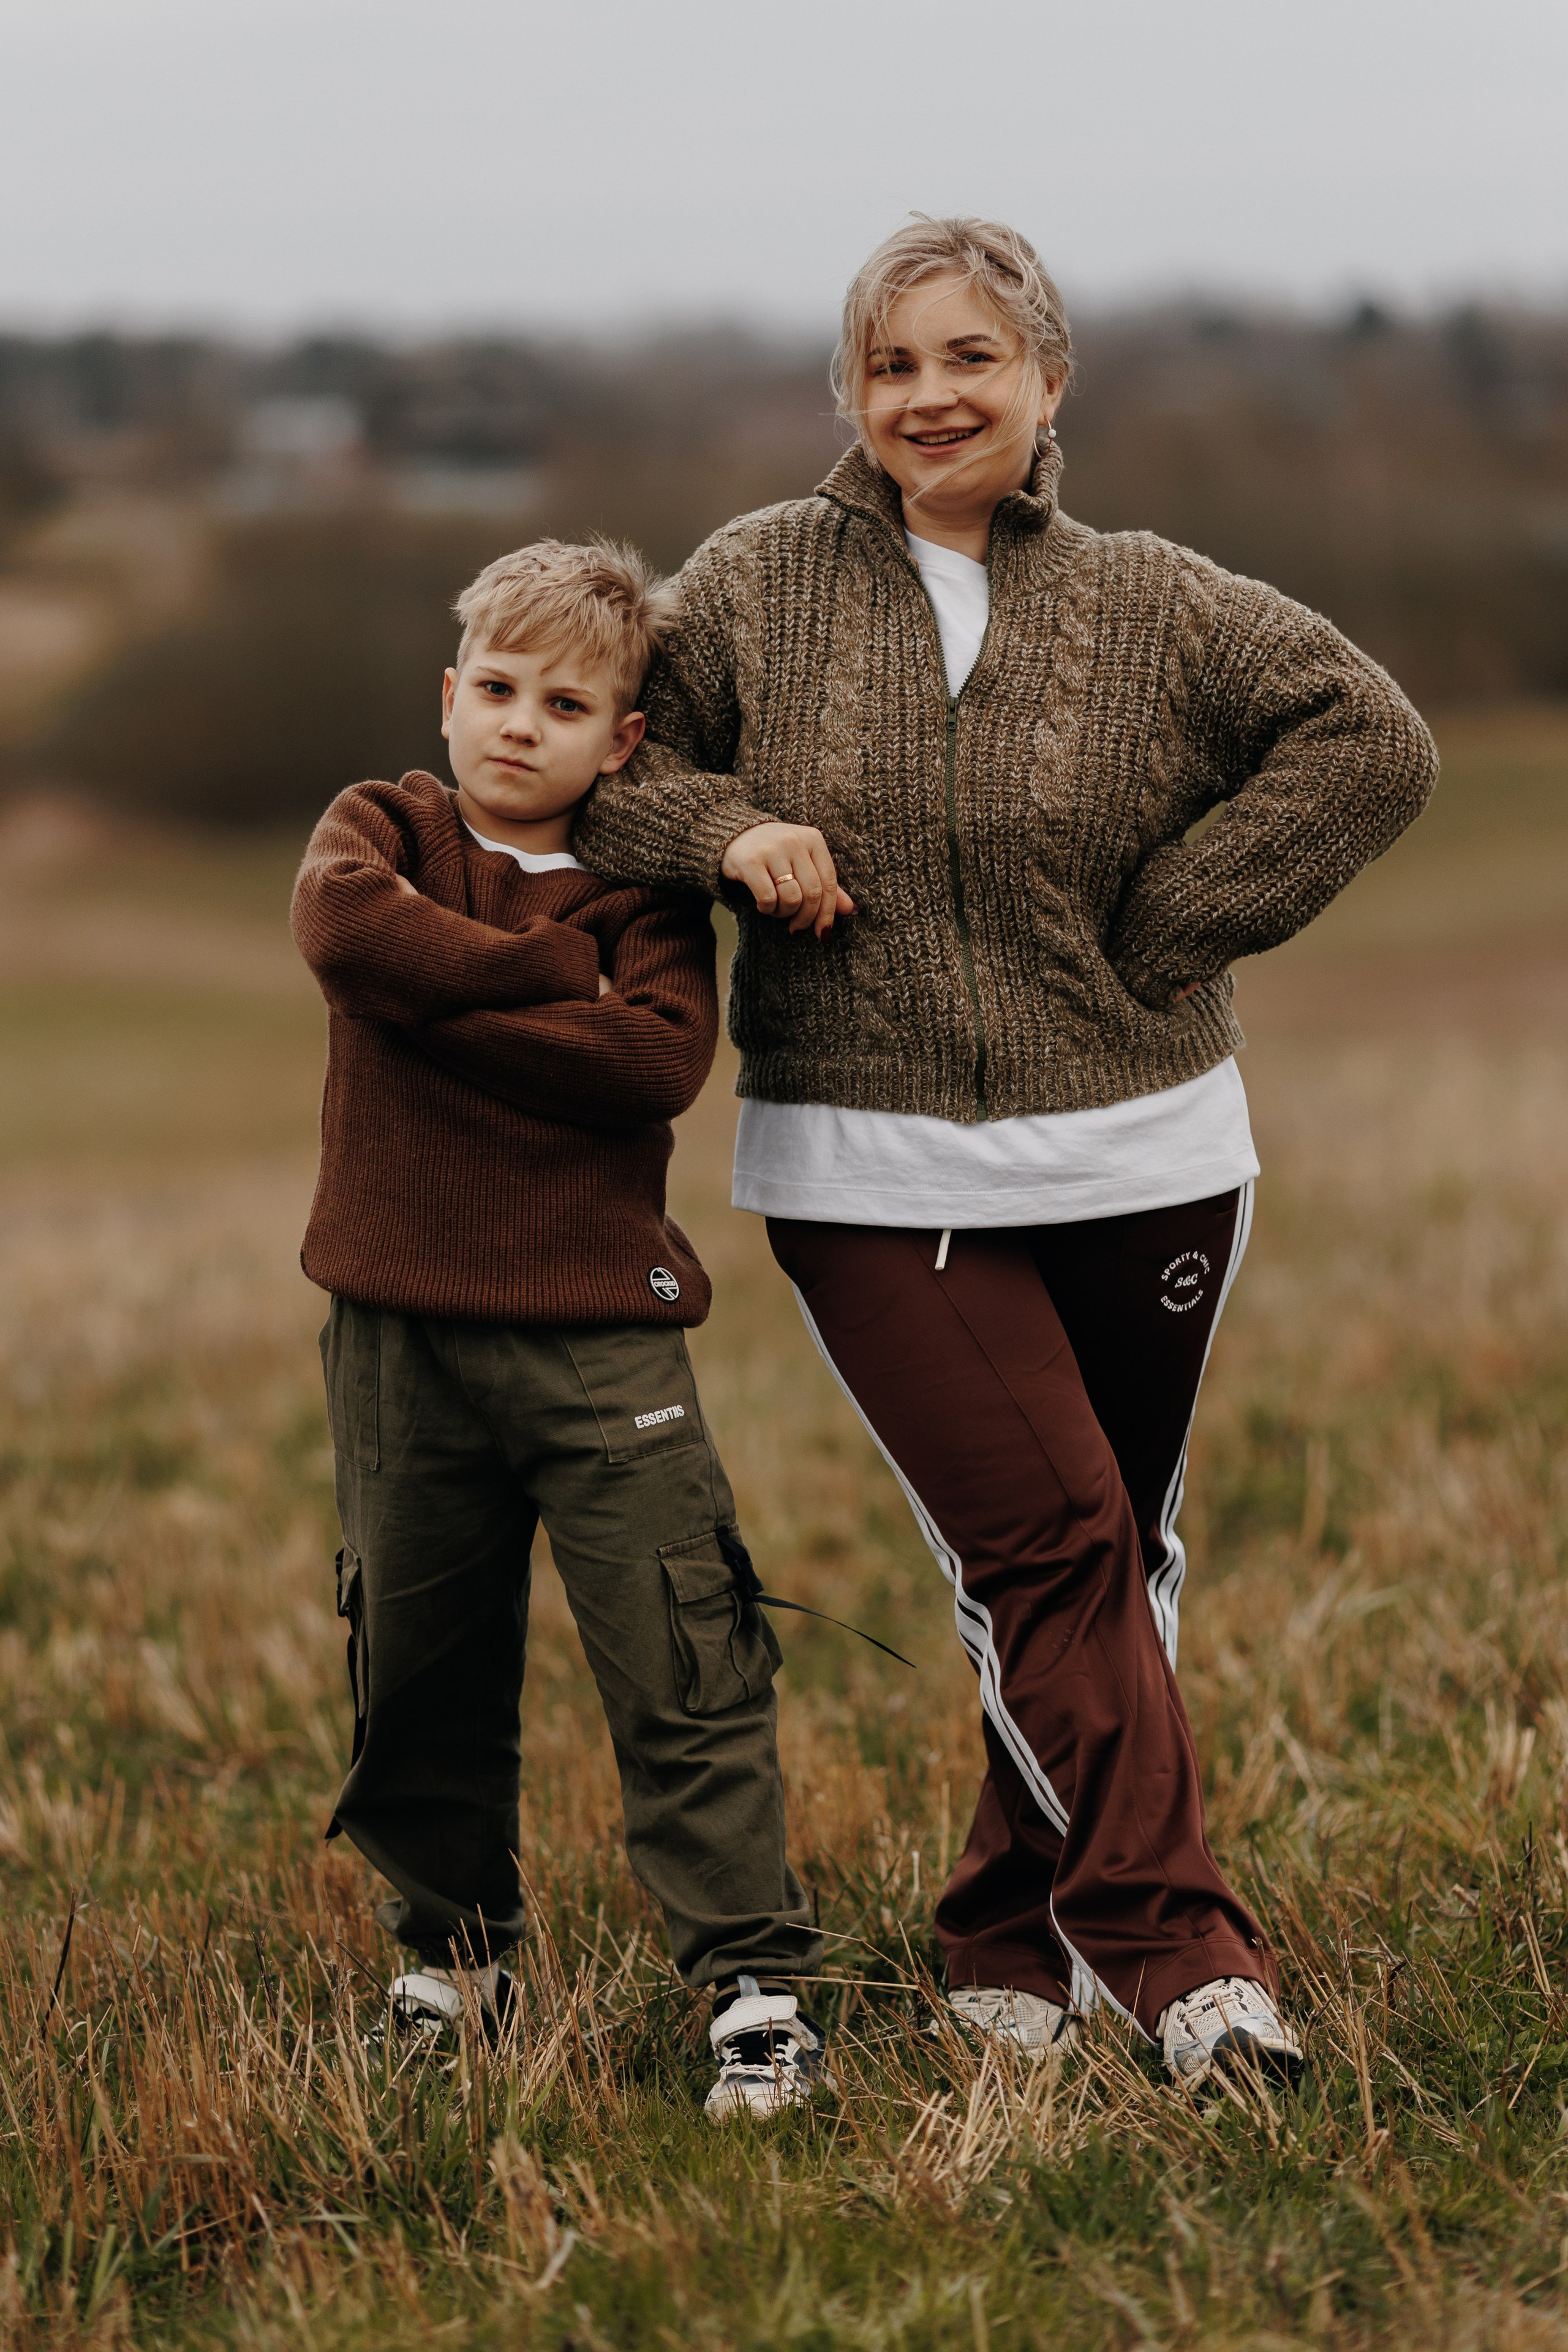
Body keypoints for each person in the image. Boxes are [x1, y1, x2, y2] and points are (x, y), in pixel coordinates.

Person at [573, 219, 1439, 2086]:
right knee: (1044, 1541)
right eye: (890, 366)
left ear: (1049, 379)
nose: (928, 396)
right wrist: (728, 830)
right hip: (870, 1161)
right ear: (852, 397)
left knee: (1107, 1555)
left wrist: (1176, 919)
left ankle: (1007, 1933)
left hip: (1151, 1147)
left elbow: (1368, 740)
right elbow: (610, 775)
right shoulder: (756, 584)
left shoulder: (1155, 600)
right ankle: (1181, 1952)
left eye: (968, 357)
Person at [290, 537, 829, 2120]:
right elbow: (347, 940)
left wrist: (465, 998)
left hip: (600, 1341)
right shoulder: (376, 828)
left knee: (682, 1652)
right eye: (501, 690)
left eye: (568, 703)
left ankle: (750, 1985)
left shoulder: (649, 897)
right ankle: (450, 1960)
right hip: (399, 1337)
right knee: (421, 1652)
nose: (524, 725)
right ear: (451, 696)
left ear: (624, 741)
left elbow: (651, 1067)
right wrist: (547, 979)